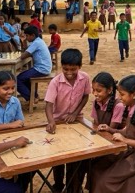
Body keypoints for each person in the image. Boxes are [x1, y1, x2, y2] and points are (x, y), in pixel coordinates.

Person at [88, 75, 135, 193]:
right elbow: (128, 131)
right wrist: (111, 130)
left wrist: (125, 141)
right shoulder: (131, 107)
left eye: (122, 94)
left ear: (134, 95)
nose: (119, 97)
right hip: (130, 151)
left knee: (106, 181)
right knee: (97, 166)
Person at [44, 48, 90, 193]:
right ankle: (58, 185)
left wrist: (75, 113)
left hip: (77, 121)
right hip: (58, 122)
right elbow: (48, 105)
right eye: (65, 69)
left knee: (75, 157)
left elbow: (85, 96)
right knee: (58, 158)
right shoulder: (55, 82)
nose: (69, 72)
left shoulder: (85, 78)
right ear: (61, 66)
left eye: (73, 69)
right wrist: (51, 121)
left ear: (80, 67)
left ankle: (73, 187)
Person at [16, 26, 52, 103]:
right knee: (24, 77)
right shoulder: (39, 41)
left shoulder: (36, 43)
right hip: (45, 68)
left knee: (17, 79)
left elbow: (23, 56)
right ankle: (34, 95)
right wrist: (25, 42)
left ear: (32, 35)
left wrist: (23, 41)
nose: (26, 37)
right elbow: (27, 52)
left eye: (27, 36)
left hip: (42, 69)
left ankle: (30, 98)